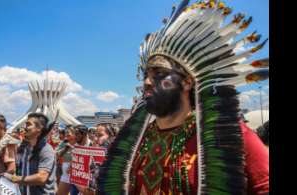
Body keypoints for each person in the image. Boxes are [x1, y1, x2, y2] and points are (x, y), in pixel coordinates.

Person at [98, 1, 269, 194]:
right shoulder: (137, 140)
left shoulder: (233, 136)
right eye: (146, 75)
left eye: (159, 73)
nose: (146, 82)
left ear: (187, 82)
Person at [3, 112, 57, 195]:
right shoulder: (24, 148)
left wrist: (14, 178)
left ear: (39, 128)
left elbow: (41, 178)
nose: (24, 127)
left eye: (28, 124)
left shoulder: (46, 150)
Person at [56, 128, 76, 195]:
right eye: (66, 133)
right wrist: (65, 148)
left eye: (69, 133)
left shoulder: (79, 143)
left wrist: (71, 165)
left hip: (75, 175)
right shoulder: (64, 143)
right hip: (65, 175)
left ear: (74, 134)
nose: (67, 134)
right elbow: (57, 154)